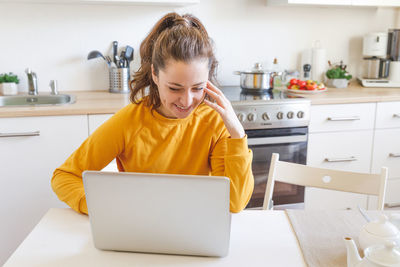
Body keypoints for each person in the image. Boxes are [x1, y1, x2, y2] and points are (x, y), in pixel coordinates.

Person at [51, 12, 254, 214]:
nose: (187, 100)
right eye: (175, 88)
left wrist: (237, 134)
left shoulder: (215, 123)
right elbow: (65, 176)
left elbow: (232, 203)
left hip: (194, 230)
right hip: (141, 229)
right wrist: (103, 208)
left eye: (198, 88)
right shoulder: (129, 121)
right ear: (155, 74)